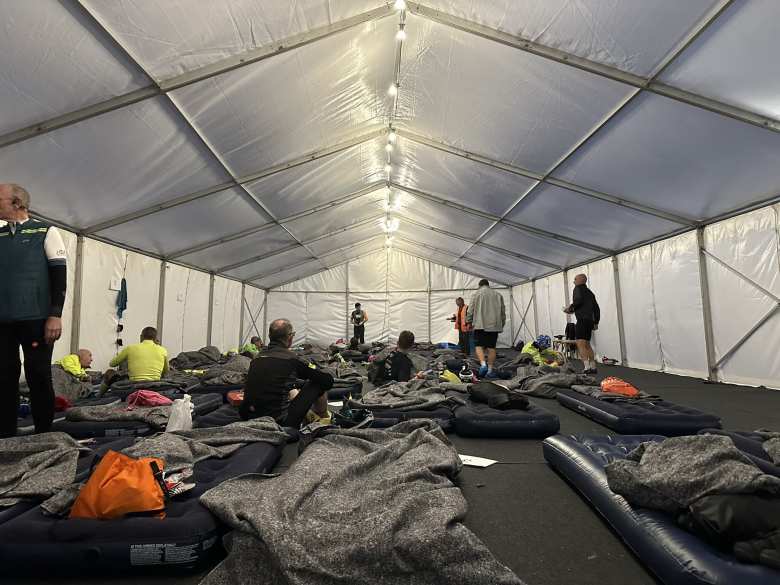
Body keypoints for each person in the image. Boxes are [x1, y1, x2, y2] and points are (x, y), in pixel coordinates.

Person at [0, 184, 66, 437]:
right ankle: (6, 435)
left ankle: (44, 433)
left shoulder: (46, 231)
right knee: (4, 378)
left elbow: (59, 275)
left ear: (17, 203)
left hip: (37, 320)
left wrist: (55, 314)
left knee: (38, 375)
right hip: (3, 321)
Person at [240, 319, 334, 428]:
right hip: (280, 423)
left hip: (249, 417)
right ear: (290, 337)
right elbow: (328, 382)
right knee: (318, 383)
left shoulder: (256, 359)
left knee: (289, 388)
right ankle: (321, 419)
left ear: (270, 336)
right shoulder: (291, 360)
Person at [467, 279, 506, 379]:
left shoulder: (476, 294)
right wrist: (501, 324)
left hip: (480, 325)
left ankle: (483, 365)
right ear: (488, 285)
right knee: (491, 348)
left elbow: (470, 310)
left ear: (479, 286)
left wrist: (468, 321)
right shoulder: (498, 295)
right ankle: (490, 370)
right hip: (494, 326)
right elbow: (502, 312)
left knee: (478, 346)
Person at [564, 273, 600, 374]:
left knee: (580, 344)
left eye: (575, 279)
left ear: (580, 280)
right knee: (587, 344)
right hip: (590, 321)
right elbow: (597, 309)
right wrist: (596, 321)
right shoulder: (590, 293)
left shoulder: (577, 288)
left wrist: (569, 309)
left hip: (582, 320)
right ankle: (593, 367)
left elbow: (578, 301)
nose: (573, 281)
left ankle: (587, 367)